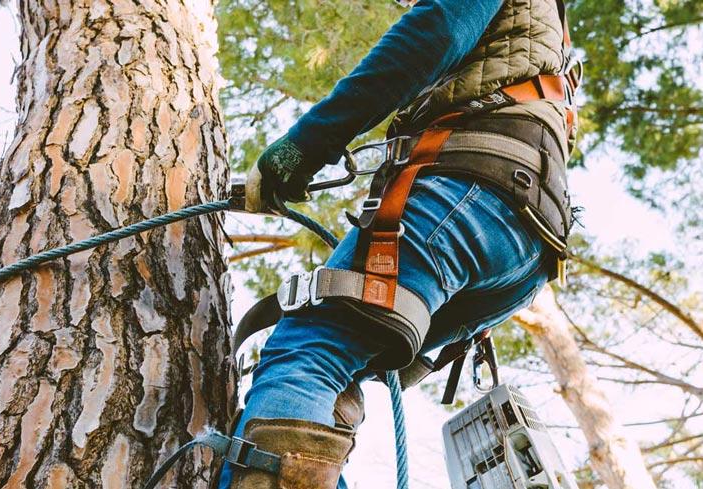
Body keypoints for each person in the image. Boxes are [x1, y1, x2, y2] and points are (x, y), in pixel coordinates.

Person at [219, 0, 579, 487]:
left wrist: (299, 149)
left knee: (309, 351)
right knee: (332, 377)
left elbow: (434, 34)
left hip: (470, 194)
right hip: (524, 242)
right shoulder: (549, 36)